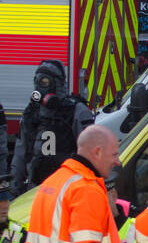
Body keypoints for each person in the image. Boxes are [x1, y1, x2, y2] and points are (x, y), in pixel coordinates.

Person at [11, 60, 95, 195]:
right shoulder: (31, 113)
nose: (40, 88)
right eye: (37, 82)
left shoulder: (76, 112)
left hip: (66, 189)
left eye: (45, 82)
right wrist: (14, 189)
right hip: (34, 190)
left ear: (58, 84)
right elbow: (20, 154)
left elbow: (90, 157)